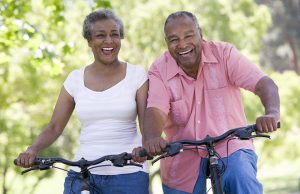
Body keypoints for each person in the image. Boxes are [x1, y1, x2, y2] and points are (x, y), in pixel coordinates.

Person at [142, 11, 280, 194]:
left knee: (241, 176)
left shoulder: (224, 54)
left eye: (189, 36)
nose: (182, 44)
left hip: (230, 145)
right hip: (182, 152)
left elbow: (264, 84)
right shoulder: (160, 69)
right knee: (178, 187)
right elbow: (155, 110)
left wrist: (271, 113)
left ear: (201, 33)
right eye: (174, 39)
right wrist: (152, 138)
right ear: (166, 42)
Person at [16, 9, 149, 194]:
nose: (109, 41)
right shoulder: (75, 79)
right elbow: (54, 126)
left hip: (128, 171)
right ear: (89, 41)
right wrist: (32, 149)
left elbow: (147, 125)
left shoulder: (137, 75)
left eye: (114, 35)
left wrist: (146, 147)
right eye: (100, 36)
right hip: (83, 171)